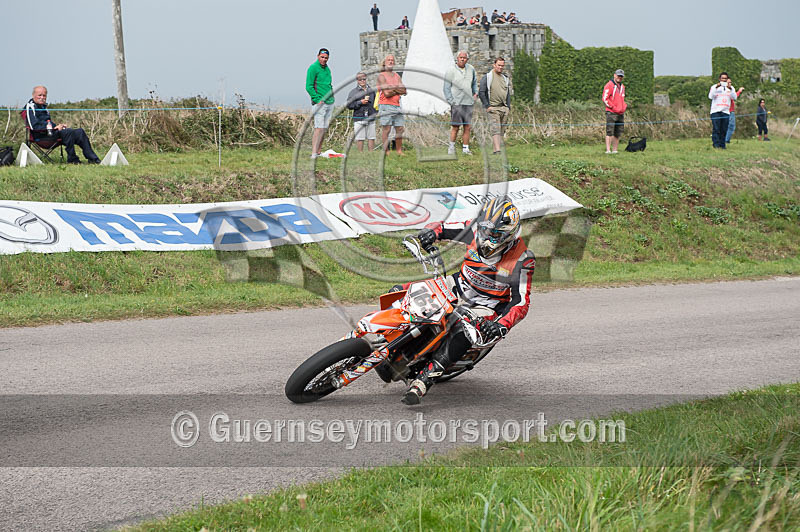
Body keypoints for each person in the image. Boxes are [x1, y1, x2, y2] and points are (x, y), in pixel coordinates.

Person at [393, 197, 535, 405]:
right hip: (459, 284)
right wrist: (431, 233)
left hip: (487, 306)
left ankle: (425, 379)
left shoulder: (523, 259)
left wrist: (501, 326)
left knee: (464, 330)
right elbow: (443, 228)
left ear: (509, 235)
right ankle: (380, 334)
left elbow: (521, 301)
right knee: (402, 290)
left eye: (494, 235)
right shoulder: (475, 229)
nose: (486, 238)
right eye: (485, 231)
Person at [24, 86, 101, 164]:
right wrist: (55, 129)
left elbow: (48, 122)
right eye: (39, 95)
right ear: (33, 95)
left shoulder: (44, 108)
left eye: (44, 95)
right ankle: (72, 159)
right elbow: (33, 126)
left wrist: (58, 126)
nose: (42, 97)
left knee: (79, 132)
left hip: (51, 133)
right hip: (41, 137)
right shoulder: (30, 107)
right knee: (68, 132)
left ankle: (93, 159)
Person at [443, 50, 478, 155]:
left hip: (468, 102)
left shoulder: (471, 69)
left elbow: (474, 83)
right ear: (457, 58)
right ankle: (451, 148)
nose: (462, 59)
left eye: (464, 58)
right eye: (460, 57)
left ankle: (466, 149)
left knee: (467, 126)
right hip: (457, 103)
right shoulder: (451, 70)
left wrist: (475, 93)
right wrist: (451, 101)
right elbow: (446, 88)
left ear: (467, 59)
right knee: (455, 126)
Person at [478, 57, 512, 154]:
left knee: (502, 129)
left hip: (503, 107)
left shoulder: (505, 78)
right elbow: (482, 92)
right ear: (494, 65)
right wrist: (487, 106)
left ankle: (496, 149)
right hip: (493, 107)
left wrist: (508, 107)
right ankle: (497, 150)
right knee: (495, 129)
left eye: (502, 65)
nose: (501, 67)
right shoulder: (488, 77)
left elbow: (507, 92)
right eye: (499, 65)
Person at [305, 48, 334, 159]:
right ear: (318, 56)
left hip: (329, 102)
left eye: (326, 58)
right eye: (322, 57)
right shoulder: (313, 68)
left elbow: (329, 84)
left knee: (324, 128)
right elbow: (309, 86)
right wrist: (317, 99)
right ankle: (313, 152)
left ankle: (319, 151)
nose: (324, 59)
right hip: (319, 103)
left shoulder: (327, 69)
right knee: (319, 128)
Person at [377, 54, 406, 155]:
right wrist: (397, 89)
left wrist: (393, 89)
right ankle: (386, 151)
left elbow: (404, 90)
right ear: (384, 63)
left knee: (400, 128)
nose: (390, 62)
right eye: (388, 60)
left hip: (397, 105)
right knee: (387, 128)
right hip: (385, 105)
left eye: (392, 60)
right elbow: (387, 93)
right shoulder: (381, 76)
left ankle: (399, 150)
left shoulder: (397, 75)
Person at [346, 72, 377, 151]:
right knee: (360, 138)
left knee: (371, 137)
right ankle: (360, 154)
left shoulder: (371, 91)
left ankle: (371, 154)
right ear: (357, 80)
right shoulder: (353, 92)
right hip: (359, 117)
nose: (362, 81)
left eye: (364, 79)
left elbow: (376, 103)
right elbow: (349, 105)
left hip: (371, 117)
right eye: (360, 79)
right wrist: (360, 102)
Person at [708, 72, 737, 149]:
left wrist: (730, 89)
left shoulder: (731, 88)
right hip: (715, 111)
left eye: (725, 78)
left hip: (726, 111)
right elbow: (711, 96)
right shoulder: (714, 87)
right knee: (716, 129)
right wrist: (717, 87)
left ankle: (722, 145)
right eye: (722, 78)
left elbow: (734, 97)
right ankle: (716, 145)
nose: (724, 80)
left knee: (724, 129)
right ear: (719, 79)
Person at [602, 69, 627, 154]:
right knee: (610, 131)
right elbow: (605, 98)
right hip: (611, 112)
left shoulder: (622, 87)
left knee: (618, 132)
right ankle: (608, 150)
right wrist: (612, 107)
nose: (619, 77)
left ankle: (615, 150)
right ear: (614, 75)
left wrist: (624, 106)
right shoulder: (609, 85)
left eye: (621, 76)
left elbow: (622, 99)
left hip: (620, 112)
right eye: (618, 76)